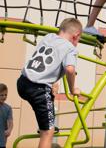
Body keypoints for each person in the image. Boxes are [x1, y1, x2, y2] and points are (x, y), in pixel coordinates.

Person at [17, 18, 82, 148]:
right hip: (39, 89)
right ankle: (45, 126)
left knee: (46, 121)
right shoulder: (70, 48)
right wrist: (72, 89)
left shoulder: (49, 37)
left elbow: (50, 62)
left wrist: (54, 81)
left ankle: (45, 122)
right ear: (76, 36)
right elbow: (70, 70)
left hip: (22, 82)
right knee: (48, 132)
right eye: (79, 40)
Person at [0, 83, 13, 148]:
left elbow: (10, 121)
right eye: (1, 95)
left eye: (5, 95)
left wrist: (9, 130)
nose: (4, 97)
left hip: (2, 141)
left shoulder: (8, 108)